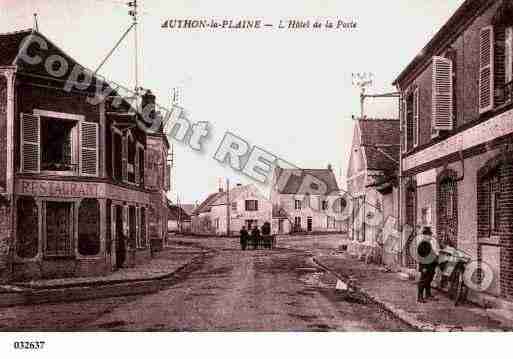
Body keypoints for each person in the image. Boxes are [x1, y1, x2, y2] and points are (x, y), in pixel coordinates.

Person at [417, 227, 438, 303]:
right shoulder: (422, 244)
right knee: (423, 281)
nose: (430, 237)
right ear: (424, 235)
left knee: (428, 280)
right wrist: (423, 267)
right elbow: (421, 257)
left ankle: (428, 295)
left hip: (430, 266)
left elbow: (431, 254)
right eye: (429, 235)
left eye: (430, 235)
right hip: (425, 266)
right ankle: (419, 297)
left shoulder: (428, 244)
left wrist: (436, 257)